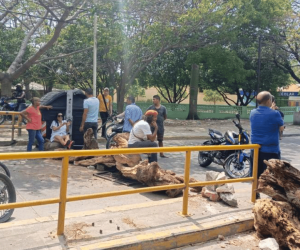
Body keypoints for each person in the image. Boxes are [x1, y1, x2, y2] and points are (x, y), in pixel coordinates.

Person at [250, 91, 284, 199]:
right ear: (269, 101)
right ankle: (275, 198)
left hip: (255, 150)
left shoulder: (252, 112)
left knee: (256, 174)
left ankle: (255, 195)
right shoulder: (275, 113)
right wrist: (275, 111)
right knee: (274, 176)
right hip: (271, 151)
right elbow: (281, 128)